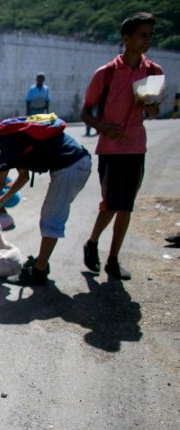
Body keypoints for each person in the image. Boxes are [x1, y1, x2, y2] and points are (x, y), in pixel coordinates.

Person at [80, 12, 163, 280]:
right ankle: (92, 242)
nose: (147, 40)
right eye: (142, 35)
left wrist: (149, 106)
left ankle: (113, 260)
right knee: (111, 204)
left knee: (126, 206)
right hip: (110, 150)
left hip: (136, 148)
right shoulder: (105, 74)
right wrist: (104, 128)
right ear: (126, 38)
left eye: (150, 35)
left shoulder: (153, 72)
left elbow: (153, 114)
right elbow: (85, 113)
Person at [0, 118, 91, 285]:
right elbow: (23, 177)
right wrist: (0, 202)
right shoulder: (13, 141)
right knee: (49, 217)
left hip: (70, 166)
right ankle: (41, 263)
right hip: (74, 164)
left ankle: (38, 272)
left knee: (50, 220)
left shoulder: (8, 144)